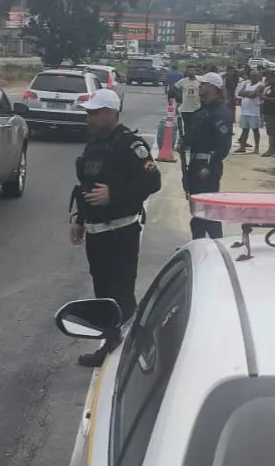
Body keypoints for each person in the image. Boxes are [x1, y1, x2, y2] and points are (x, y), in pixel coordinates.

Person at [69, 88, 161, 367]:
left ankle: (140, 353)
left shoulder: (130, 145)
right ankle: (110, 347)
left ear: (110, 113)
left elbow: (152, 181)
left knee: (122, 296)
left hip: (121, 233)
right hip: (96, 234)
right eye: (88, 113)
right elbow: (86, 187)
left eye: (94, 113)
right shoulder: (94, 144)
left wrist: (114, 195)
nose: (89, 118)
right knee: (104, 296)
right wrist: (80, 220)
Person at [184, 72, 233, 239]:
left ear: (213, 88)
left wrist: (208, 168)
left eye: (204, 84)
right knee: (197, 214)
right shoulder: (202, 111)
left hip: (207, 168)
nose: (200, 86)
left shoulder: (220, 112)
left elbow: (224, 146)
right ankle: (199, 244)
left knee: (209, 214)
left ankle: (216, 245)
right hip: (195, 165)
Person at [235, 69, 263, 153]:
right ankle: (242, 147)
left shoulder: (260, 85)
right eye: (251, 75)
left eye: (254, 75)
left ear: (258, 76)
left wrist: (246, 93)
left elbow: (253, 95)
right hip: (244, 111)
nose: (252, 77)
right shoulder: (246, 84)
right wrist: (249, 93)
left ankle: (256, 148)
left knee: (255, 130)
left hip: (254, 112)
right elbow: (240, 93)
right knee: (244, 130)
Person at [260, 71, 275, 157]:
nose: (268, 80)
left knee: (271, 131)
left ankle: (271, 149)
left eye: (269, 79)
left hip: (273, 112)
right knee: (270, 131)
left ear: (273, 78)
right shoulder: (269, 88)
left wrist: (266, 98)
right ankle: (273, 149)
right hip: (268, 111)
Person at [175, 69, 200, 142]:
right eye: (189, 70)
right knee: (187, 126)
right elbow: (175, 88)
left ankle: (194, 140)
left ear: (196, 72)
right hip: (185, 108)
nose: (191, 72)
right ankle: (187, 141)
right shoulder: (183, 81)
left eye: (193, 70)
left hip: (197, 108)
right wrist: (179, 97)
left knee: (195, 126)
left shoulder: (199, 81)